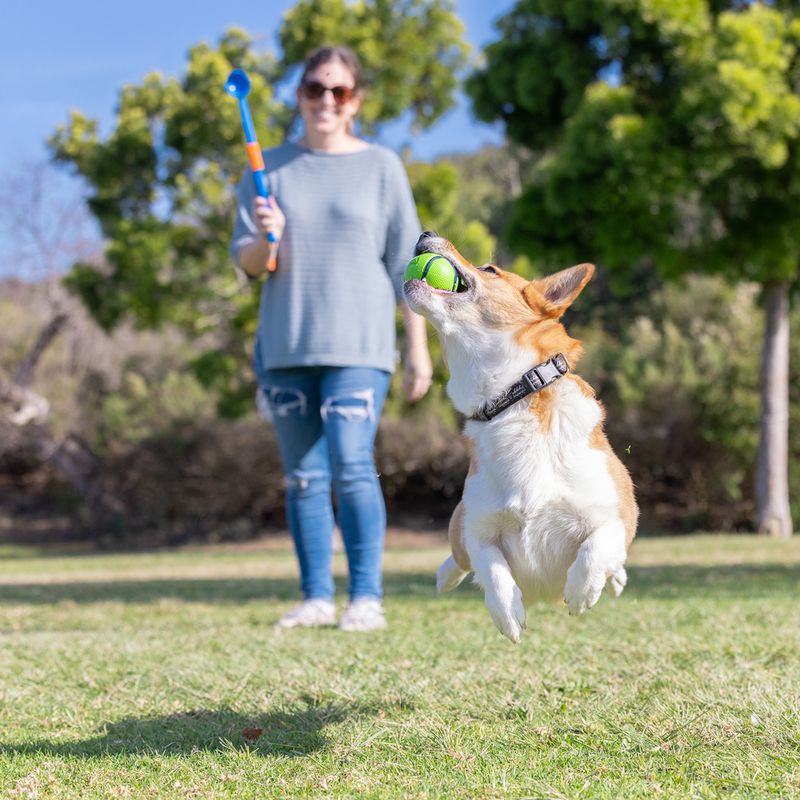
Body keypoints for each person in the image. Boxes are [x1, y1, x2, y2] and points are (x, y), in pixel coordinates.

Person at [231, 46, 432, 632]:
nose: (326, 100)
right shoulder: (265, 168)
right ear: (298, 96)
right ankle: (316, 597)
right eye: (315, 88)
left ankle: (366, 598)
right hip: (286, 346)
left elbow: (406, 264)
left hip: (361, 346)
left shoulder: (382, 166)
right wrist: (267, 236)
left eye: (339, 91)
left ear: (356, 101)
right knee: (303, 476)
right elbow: (248, 265)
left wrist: (418, 348)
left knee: (351, 464)